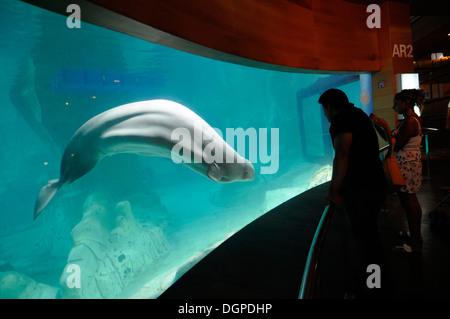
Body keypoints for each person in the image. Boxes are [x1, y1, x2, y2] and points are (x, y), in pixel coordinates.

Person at [319, 88, 388, 298]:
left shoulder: (342, 121)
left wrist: (333, 191)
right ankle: (375, 281)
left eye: (324, 109)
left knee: (366, 239)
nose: (325, 114)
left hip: (361, 188)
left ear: (329, 107)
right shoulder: (358, 115)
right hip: (375, 184)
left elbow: (342, 154)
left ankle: (373, 285)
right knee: (370, 235)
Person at [370, 89, 424, 255]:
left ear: (405, 103)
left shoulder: (410, 122)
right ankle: (415, 236)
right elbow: (391, 139)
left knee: (410, 204)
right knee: (411, 202)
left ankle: (414, 244)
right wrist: (378, 126)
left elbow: (397, 145)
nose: (394, 107)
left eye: (396, 103)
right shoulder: (409, 120)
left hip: (407, 166)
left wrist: (384, 125)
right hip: (408, 165)